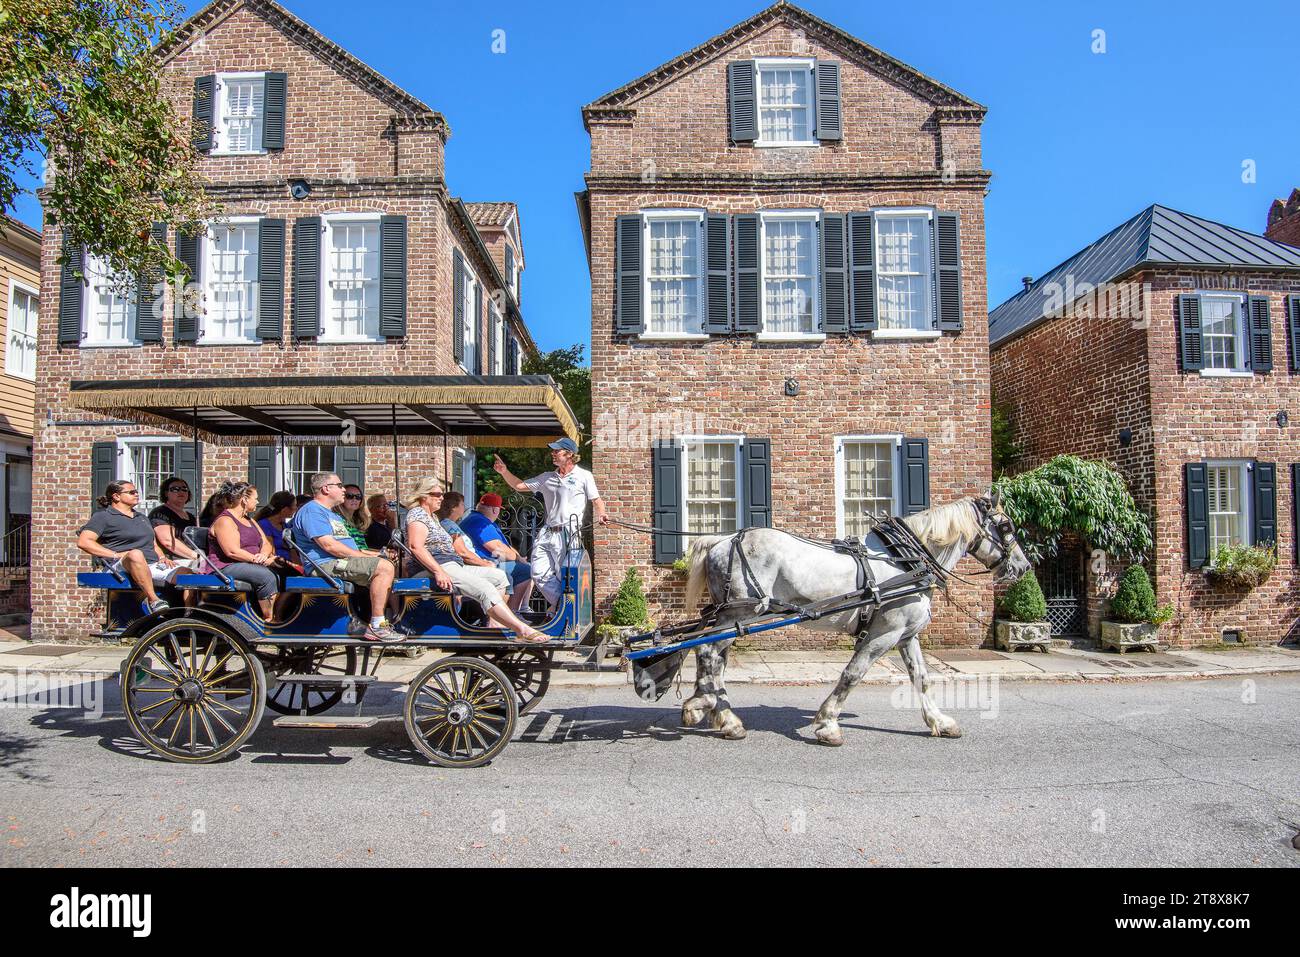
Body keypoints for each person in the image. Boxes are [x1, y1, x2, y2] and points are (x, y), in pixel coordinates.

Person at [403, 477, 545, 642]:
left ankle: (495, 625)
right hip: (437, 566)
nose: (442, 497)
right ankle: (522, 629)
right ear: (424, 496)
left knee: (499, 577)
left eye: (442, 494)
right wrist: (438, 571)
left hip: (453, 564)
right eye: (437, 494)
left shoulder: (432, 517)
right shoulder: (417, 514)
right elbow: (416, 547)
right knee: (484, 587)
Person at [492, 438, 607, 610]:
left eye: (557, 451)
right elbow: (519, 485)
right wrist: (504, 472)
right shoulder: (546, 477)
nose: (552, 453)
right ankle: (563, 606)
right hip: (547, 531)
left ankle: (563, 612)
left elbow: (597, 500)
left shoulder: (584, 476)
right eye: (552, 450)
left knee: (564, 575)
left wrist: (602, 515)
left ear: (569, 454)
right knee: (537, 572)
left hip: (568, 532)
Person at [292, 472, 403, 643]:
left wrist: (378, 554)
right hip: (324, 565)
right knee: (384, 568)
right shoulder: (312, 511)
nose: (343, 489)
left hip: (338, 561)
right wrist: (368, 558)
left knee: (391, 564)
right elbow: (329, 546)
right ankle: (378, 625)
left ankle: (373, 617)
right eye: (339, 485)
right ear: (326, 489)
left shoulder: (332, 514)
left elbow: (350, 547)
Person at [77, 480, 200, 612]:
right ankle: (154, 601)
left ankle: (190, 614)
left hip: (150, 564)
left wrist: (162, 557)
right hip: (119, 565)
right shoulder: (103, 516)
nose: (136, 494)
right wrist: (115, 555)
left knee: (188, 575)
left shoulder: (141, 517)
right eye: (131, 492)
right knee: (135, 554)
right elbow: (84, 542)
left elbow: (152, 543)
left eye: (136, 491)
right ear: (116, 496)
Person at [207, 481, 282, 623]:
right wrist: (257, 559)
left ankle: (283, 614)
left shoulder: (251, 520)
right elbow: (232, 551)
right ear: (244, 500)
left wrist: (264, 555)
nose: (258, 501)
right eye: (256, 498)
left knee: (285, 570)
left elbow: (265, 543)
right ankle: (268, 618)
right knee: (266, 576)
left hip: (252, 562)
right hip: (226, 566)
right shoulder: (225, 520)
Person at [460, 492, 534, 613]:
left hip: (486, 563)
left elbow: (506, 546)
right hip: (483, 564)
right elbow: (497, 548)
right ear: (495, 510)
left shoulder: (479, 519)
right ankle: (513, 613)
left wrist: (519, 557)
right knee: (526, 571)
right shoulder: (480, 522)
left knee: (526, 567)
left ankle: (522, 609)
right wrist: (518, 559)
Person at [436, 491, 497, 570]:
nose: (464, 507)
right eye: (462, 504)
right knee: (506, 574)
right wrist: (485, 563)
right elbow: (462, 552)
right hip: (466, 566)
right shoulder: (448, 525)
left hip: (473, 563)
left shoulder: (450, 524)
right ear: (454, 507)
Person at [148, 476, 201, 565]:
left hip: (192, 558)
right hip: (172, 561)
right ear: (166, 493)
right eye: (175, 489)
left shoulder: (190, 516)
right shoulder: (161, 513)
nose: (181, 492)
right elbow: (168, 541)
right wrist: (196, 556)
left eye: (184, 489)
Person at [255, 491, 299, 567]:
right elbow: (270, 551)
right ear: (285, 509)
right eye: (294, 506)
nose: (296, 508)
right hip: (276, 565)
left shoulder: (285, 526)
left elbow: (292, 550)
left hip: (288, 564)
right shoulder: (264, 525)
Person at [333, 483, 369, 549]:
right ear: (342, 498)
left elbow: (362, 548)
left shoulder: (358, 521)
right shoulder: (338, 520)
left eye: (358, 496)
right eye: (349, 496)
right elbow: (350, 549)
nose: (354, 499)